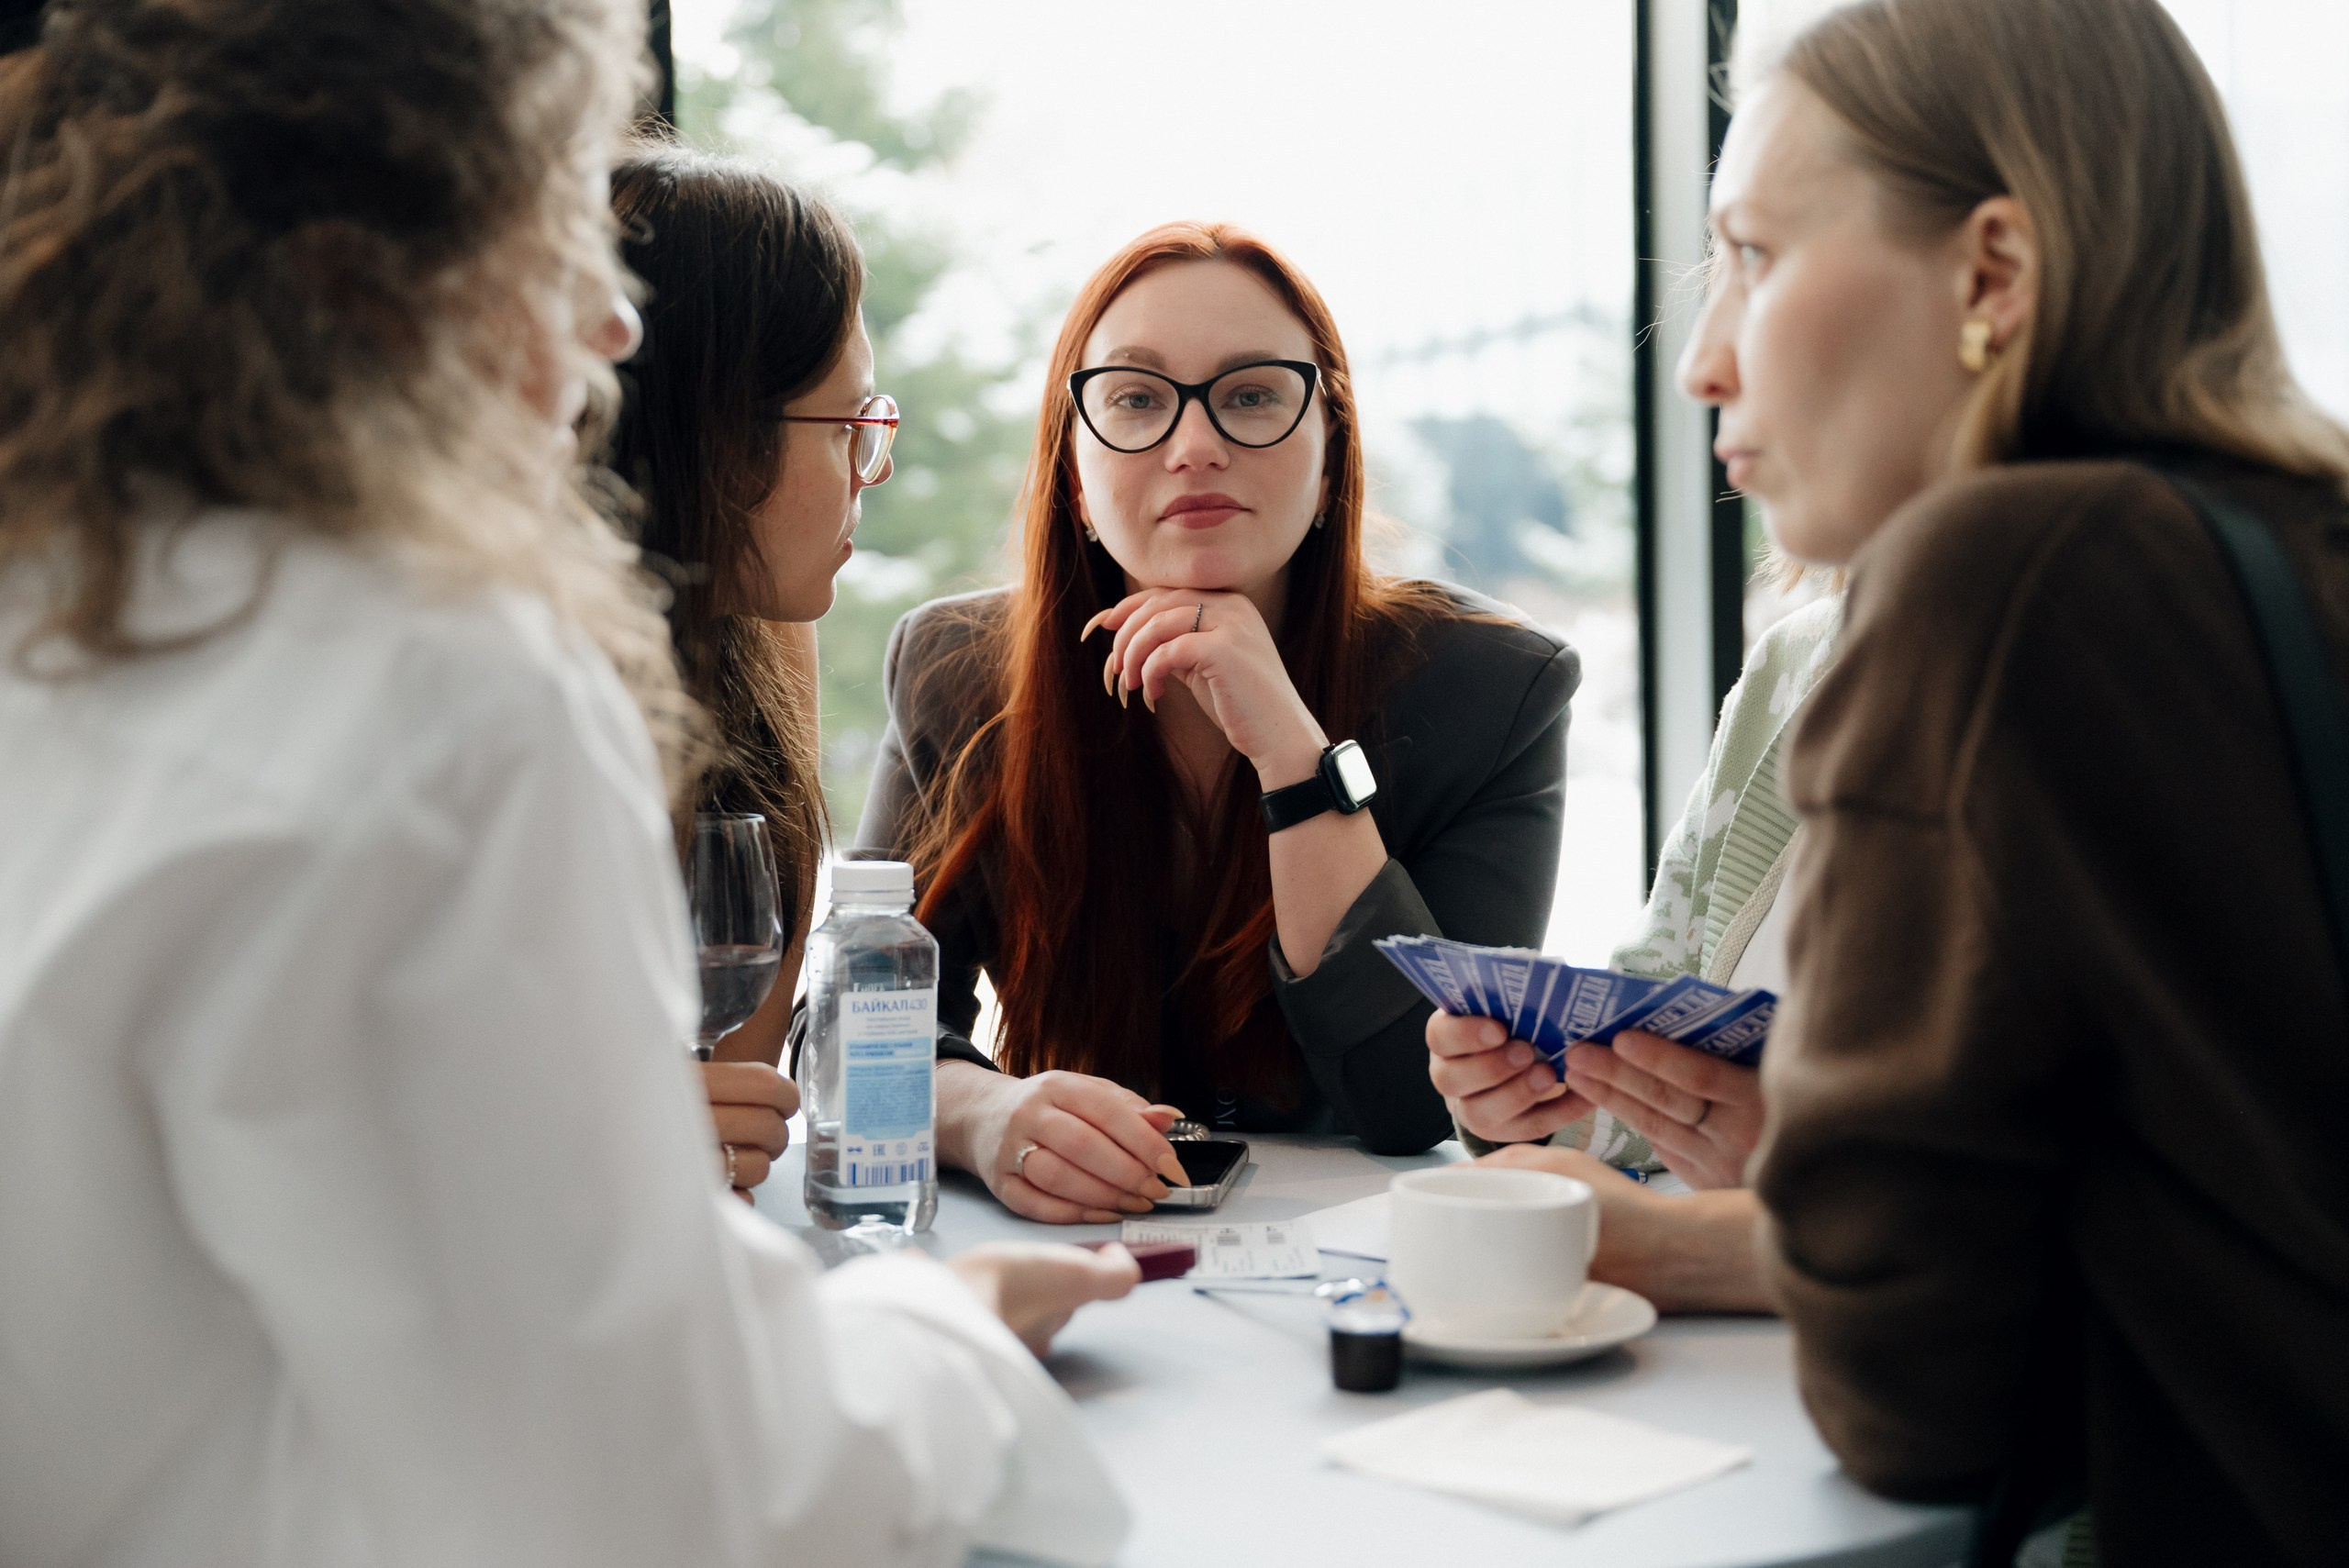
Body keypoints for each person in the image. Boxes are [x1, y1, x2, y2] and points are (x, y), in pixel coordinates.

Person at [0, 5, 1140, 1564]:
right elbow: (670, 1485)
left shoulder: (68, 607)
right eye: (549, 221)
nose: (613, 328)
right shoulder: (443, 682)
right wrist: (953, 1338)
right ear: (367, 262)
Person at [1472, 0, 2349, 1562]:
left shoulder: (1988, 577)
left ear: (1992, 273)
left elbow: (1917, 1393)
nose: (1705, 363)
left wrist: (1787, 1217)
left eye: (1754, 254)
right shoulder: (2292, 557)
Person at [857, 222, 1579, 1223]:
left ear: (1331, 460)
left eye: (1249, 396)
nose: (1194, 446)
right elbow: (858, 1029)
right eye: (1136, 400)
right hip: (1072, 1247)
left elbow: (1417, 1100)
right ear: (1074, 475)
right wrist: (983, 1110)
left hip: (1352, 1265)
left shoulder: (1490, 689)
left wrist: (1293, 750)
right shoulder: (956, 671)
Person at [607, 143, 897, 1196]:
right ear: (717, 436)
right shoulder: (497, 693)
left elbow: (739, 1100)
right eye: (848, 423)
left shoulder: (762, 641)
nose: (877, 461)